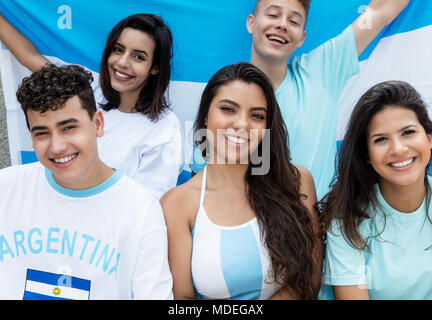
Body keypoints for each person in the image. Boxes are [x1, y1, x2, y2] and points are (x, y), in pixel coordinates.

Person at [191, 0, 410, 201]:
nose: (282, 25)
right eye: (273, 15)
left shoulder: (323, 68)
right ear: (251, 23)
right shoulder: (224, 98)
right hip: (248, 231)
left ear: (301, 38)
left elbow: (379, 12)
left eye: (293, 21)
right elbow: (200, 185)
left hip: (318, 229)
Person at [0, 63, 173, 300]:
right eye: (42, 133)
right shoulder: (6, 188)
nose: (57, 146)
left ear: (98, 124)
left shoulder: (141, 210)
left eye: (69, 128)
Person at [161, 62, 322, 300]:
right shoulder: (177, 204)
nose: (242, 124)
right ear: (206, 116)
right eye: (228, 109)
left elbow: (309, 280)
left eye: (256, 115)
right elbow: (181, 300)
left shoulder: (297, 182)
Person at [0, 13, 182, 199]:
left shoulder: (164, 127)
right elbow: (30, 57)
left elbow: (149, 202)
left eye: (138, 57)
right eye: (118, 50)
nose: (122, 62)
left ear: (155, 67)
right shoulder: (86, 90)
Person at [320, 81, 432, 299]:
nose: (398, 149)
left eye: (408, 132)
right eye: (381, 139)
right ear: (367, 155)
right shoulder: (347, 216)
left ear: (429, 138)